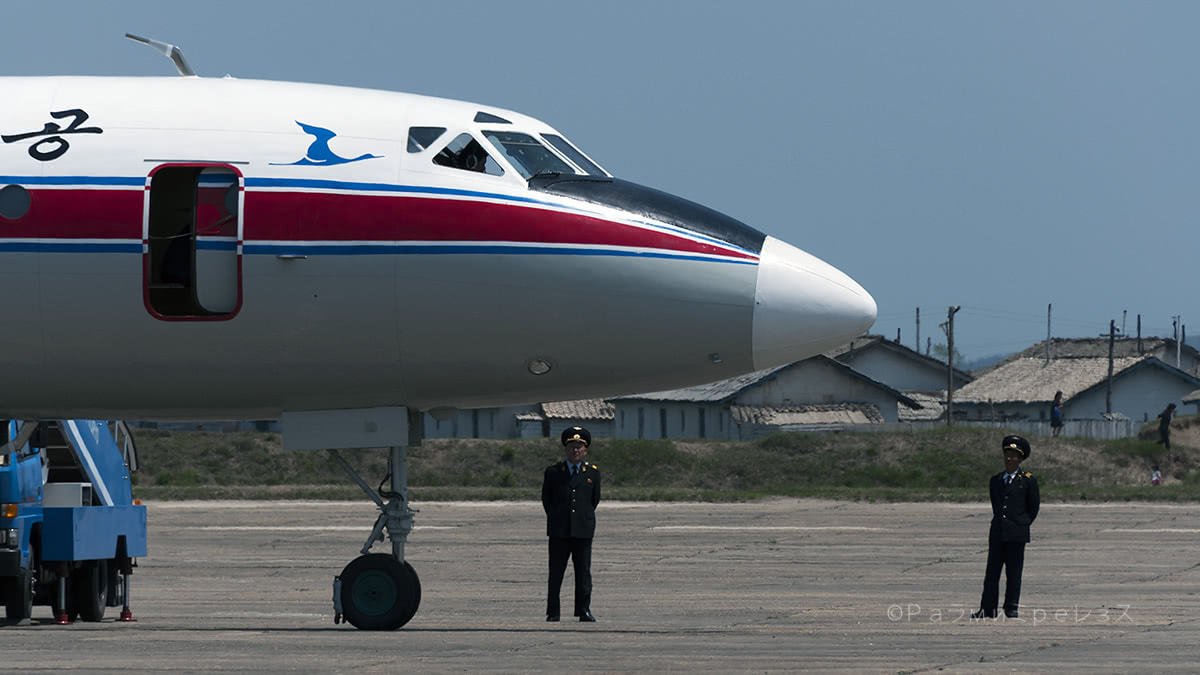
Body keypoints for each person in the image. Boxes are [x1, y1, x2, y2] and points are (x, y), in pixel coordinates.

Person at [972, 435, 1040, 619]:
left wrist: (1021, 523)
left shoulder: (1027, 480)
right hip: (998, 532)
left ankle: (1011, 607)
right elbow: (996, 505)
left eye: (1014, 456)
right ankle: (988, 608)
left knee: (1014, 573)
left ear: (1020, 459)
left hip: (1016, 533)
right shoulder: (995, 480)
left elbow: (1033, 508)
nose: (1010, 459)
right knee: (992, 573)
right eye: (1007, 455)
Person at [542, 426, 601, 622]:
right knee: (556, 572)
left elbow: (594, 500)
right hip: (559, 530)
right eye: (572, 447)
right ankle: (553, 612)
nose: (575, 450)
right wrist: (557, 517)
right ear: (566, 449)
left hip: (582, 531)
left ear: (585, 450)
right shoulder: (553, 472)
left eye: (579, 447)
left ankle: (583, 610)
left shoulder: (592, 473)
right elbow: (547, 500)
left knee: (583, 573)